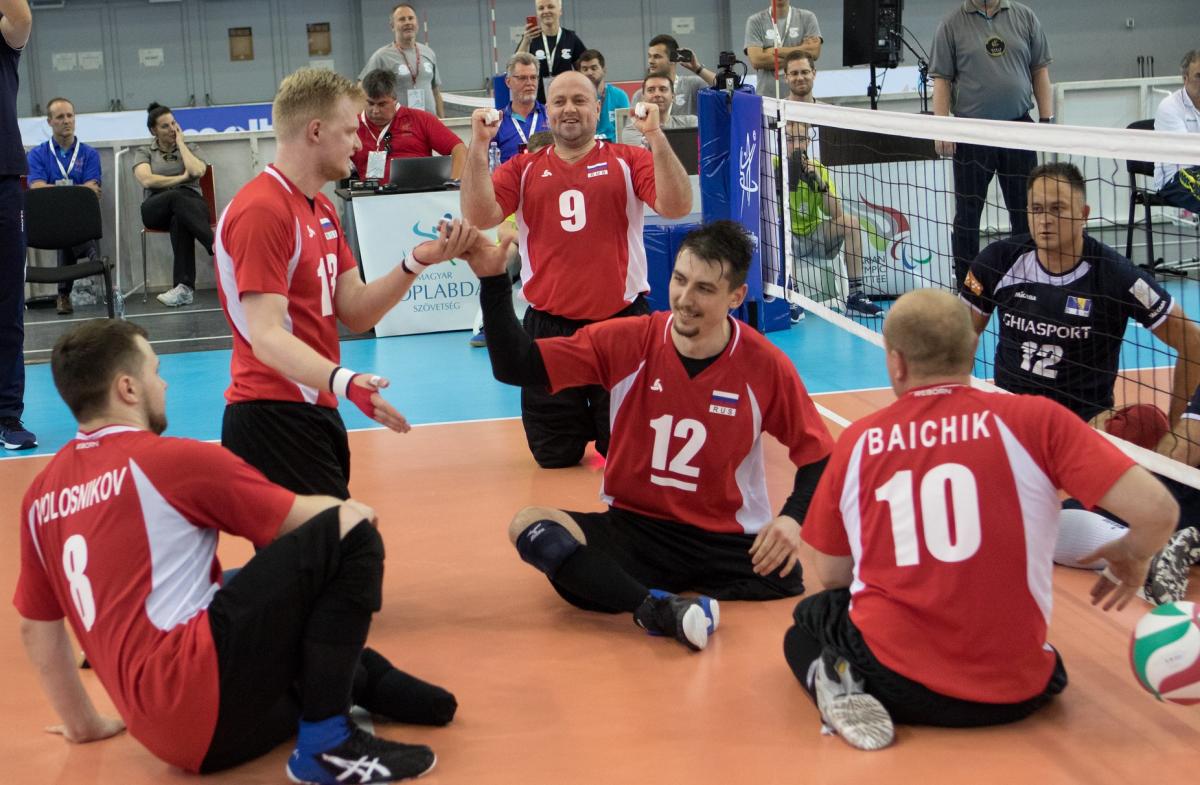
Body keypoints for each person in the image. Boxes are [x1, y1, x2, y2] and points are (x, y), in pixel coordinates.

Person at [15, 319, 448, 783]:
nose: (162, 384)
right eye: (154, 371)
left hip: (169, 735)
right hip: (205, 699)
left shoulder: (41, 495)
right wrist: (355, 513)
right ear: (127, 388)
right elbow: (311, 518)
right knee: (349, 534)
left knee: (235, 582)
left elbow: (35, 627)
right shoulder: (170, 461)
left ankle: (363, 683)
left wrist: (85, 724)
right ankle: (329, 744)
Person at [785, 288, 1177, 751]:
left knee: (808, 621)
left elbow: (832, 573)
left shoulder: (859, 441)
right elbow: (1158, 511)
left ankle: (836, 684)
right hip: (1019, 692)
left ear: (895, 362)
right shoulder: (1038, 420)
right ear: (974, 348)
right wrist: (1133, 555)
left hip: (898, 685)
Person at [456, 220, 834, 651]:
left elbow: (818, 453)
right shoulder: (630, 340)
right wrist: (492, 281)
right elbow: (515, 366)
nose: (685, 300)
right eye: (679, 280)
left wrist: (790, 519)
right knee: (529, 526)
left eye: (704, 289)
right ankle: (656, 609)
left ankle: (635, 594)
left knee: (790, 576)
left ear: (736, 297)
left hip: (724, 541)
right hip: (636, 531)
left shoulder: (764, 365)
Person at [215, 67, 478, 500]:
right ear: (316, 131)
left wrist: (417, 260)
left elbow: (356, 311)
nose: (359, 144)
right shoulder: (263, 210)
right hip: (271, 415)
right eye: (350, 131)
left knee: (324, 559)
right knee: (350, 552)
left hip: (316, 406)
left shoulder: (321, 208)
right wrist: (346, 381)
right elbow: (265, 336)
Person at [461, 71, 692, 468]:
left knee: (626, 455)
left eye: (580, 101)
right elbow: (479, 214)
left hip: (620, 327)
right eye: (560, 101)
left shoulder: (628, 159)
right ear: (547, 110)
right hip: (550, 332)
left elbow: (677, 206)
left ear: (597, 108)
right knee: (554, 457)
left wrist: (655, 137)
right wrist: (479, 144)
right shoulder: (524, 168)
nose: (569, 109)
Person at [959, 162, 1200, 425]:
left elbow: (1193, 342)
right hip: (1010, 418)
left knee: (1142, 425)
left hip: (1084, 427)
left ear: (1083, 213)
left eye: (1057, 209)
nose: (1045, 220)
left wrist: (1179, 432)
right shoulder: (997, 260)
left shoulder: (1116, 275)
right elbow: (958, 337)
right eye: (1036, 209)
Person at [930, 0, 1054, 290]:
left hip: (1018, 129)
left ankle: (1028, 280)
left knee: (1025, 212)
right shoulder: (950, 25)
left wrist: (1047, 121)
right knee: (967, 215)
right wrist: (941, 129)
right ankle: (968, 286)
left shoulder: (1025, 17)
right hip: (971, 133)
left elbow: (1040, 71)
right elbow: (941, 80)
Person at [782, 52, 883, 320]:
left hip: (815, 236)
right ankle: (788, 297)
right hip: (785, 239)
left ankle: (855, 296)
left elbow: (836, 214)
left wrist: (821, 183)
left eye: (801, 140)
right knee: (771, 231)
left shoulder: (818, 167)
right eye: (790, 140)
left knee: (850, 223)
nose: (796, 145)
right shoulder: (774, 165)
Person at [467, 129, 553, 349]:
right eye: (535, 158)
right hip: (525, 253)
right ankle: (491, 324)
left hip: (554, 258)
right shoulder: (521, 187)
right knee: (506, 253)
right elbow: (504, 231)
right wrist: (535, 240)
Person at [25, 96, 102, 315]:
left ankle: (63, 293)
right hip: (48, 220)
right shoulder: (38, 154)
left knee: (69, 227)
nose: (66, 121)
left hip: (80, 217)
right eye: (60, 117)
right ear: (49, 122)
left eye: (70, 116)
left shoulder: (89, 154)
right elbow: (36, 189)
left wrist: (58, 193)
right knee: (66, 225)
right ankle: (92, 254)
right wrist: (76, 193)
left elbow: (93, 190)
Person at [133, 102, 213, 308]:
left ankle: (183, 289)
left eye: (174, 123)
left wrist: (182, 144)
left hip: (192, 204)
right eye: (165, 126)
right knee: (176, 197)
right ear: (153, 130)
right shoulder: (144, 151)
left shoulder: (191, 147)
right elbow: (147, 180)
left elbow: (197, 172)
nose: (172, 129)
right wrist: (180, 179)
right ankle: (216, 245)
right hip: (156, 206)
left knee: (180, 219)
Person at [0, 0, 34, 451]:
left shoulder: (4, 37)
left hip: (3, 181)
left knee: (7, 307)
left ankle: (8, 414)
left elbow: (21, 17)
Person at [350, 68, 465, 181]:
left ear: (395, 100)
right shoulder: (352, 126)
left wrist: (455, 182)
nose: (375, 111)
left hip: (418, 194)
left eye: (382, 104)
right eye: (370, 103)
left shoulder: (421, 119)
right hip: (370, 197)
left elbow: (459, 149)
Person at [359, 2, 445, 117]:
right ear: (392, 26)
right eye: (402, 19)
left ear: (417, 23)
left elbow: (436, 92)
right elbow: (361, 89)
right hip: (398, 126)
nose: (408, 22)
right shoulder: (382, 56)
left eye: (411, 18)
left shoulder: (429, 53)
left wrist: (442, 121)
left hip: (429, 124)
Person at [744, 0, 822, 100]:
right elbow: (757, 60)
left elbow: (814, 52)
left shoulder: (807, 18)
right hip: (767, 99)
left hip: (800, 99)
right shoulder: (755, 21)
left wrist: (773, 51)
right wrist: (801, 51)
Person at [1153, 49, 1200, 212]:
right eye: (1198, 76)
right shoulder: (1169, 106)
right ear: (1185, 79)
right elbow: (1189, 152)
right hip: (1174, 180)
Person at [515, 0, 586, 105]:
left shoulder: (571, 38)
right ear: (537, 13)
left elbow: (584, 68)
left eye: (550, 7)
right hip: (537, 103)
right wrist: (525, 41)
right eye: (541, 8)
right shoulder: (530, 38)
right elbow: (515, 67)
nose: (546, 11)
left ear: (560, 11)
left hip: (565, 102)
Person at [630, 35, 715, 118]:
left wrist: (698, 69)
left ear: (673, 59)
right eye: (649, 56)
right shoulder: (640, 95)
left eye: (657, 56)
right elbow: (632, 128)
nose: (650, 61)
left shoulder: (692, 85)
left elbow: (723, 85)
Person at [492, 53, 546, 163]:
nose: (529, 83)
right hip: (510, 179)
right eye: (522, 78)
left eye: (533, 77)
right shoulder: (497, 121)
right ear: (508, 82)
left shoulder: (551, 116)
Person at [622, 73, 697, 148]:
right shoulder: (632, 131)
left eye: (663, 89)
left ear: (673, 96)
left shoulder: (690, 123)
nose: (657, 94)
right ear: (643, 97)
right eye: (651, 90)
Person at [577, 49, 627, 142]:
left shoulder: (619, 96)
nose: (589, 72)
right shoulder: (575, 99)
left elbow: (627, 130)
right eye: (585, 69)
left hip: (614, 149)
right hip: (586, 148)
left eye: (594, 68)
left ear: (604, 70)